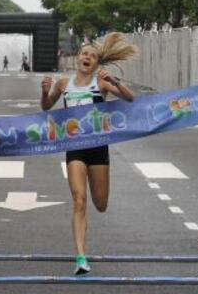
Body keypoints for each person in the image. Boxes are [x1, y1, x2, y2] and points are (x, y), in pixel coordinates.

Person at [40, 33, 138, 276]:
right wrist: (45, 92)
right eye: (85, 54)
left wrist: (114, 81)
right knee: (79, 200)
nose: (88, 57)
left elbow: (130, 98)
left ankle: (83, 253)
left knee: (100, 203)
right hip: (74, 147)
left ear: (96, 63)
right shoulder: (64, 83)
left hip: (98, 147)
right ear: (77, 58)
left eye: (93, 56)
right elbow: (46, 107)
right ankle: (81, 258)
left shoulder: (101, 83)